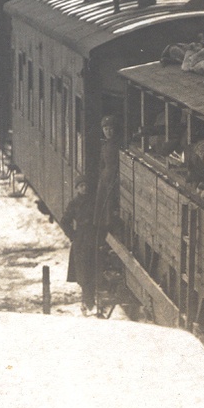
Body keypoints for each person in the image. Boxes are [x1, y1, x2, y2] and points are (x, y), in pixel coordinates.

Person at [61, 177, 98, 316]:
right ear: (77, 188)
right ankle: (88, 303)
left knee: (92, 271)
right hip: (81, 241)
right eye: (81, 186)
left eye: (86, 185)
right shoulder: (74, 203)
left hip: (93, 239)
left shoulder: (93, 201)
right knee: (83, 274)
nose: (84, 188)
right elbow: (65, 221)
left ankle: (89, 302)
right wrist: (73, 235)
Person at [93, 115, 119, 234]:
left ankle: (110, 228)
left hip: (113, 177)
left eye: (111, 128)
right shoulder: (105, 144)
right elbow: (101, 163)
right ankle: (102, 228)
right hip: (105, 177)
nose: (108, 132)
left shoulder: (116, 145)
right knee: (102, 203)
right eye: (106, 129)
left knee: (110, 204)